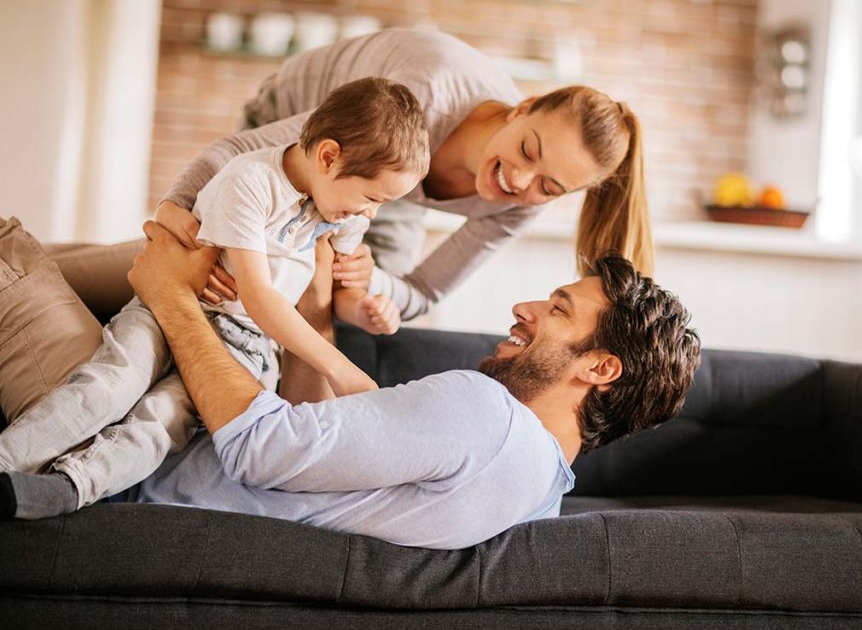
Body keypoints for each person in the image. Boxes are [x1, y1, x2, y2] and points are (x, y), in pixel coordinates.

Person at [0, 221, 700, 549]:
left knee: (12, 246)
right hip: (149, 456)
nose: (525, 309)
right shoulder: (536, 490)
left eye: (557, 310)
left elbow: (261, 450)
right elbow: (316, 451)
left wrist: (172, 296)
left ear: (600, 366)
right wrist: (315, 307)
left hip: (122, 460)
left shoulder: (486, 413)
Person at [0, 77, 430, 518]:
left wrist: (367, 309)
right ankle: (7, 460)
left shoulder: (341, 213)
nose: (371, 214)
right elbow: (259, 296)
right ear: (328, 156)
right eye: (373, 198)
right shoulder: (251, 182)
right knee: (113, 382)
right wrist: (339, 369)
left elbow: (336, 298)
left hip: (243, 346)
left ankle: (71, 487)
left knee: (165, 422)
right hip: (170, 311)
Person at [155, 28, 654, 323]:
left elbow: (422, 292)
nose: (521, 182)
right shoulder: (422, 94)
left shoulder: (514, 207)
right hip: (301, 128)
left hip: (388, 189)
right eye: (527, 150)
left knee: (350, 305)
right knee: (227, 283)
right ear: (521, 107)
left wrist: (378, 284)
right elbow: (238, 149)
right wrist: (174, 205)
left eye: (549, 187)